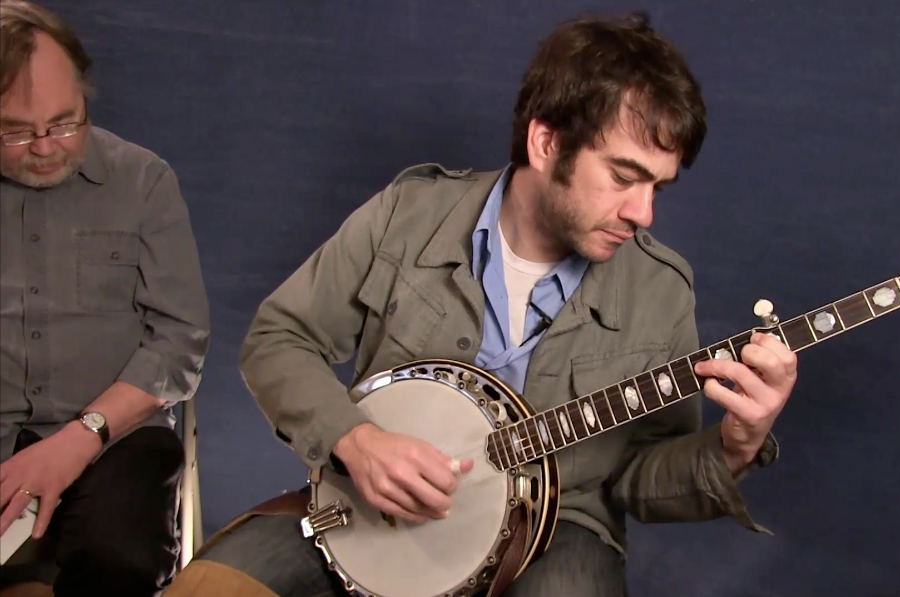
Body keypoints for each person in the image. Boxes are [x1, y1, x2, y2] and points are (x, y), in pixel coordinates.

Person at [165, 11, 795, 597]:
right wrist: (353, 439)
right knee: (209, 589)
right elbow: (279, 338)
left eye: (659, 186)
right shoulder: (406, 216)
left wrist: (737, 446)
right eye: (624, 178)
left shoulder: (662, 288)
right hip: (366, 509)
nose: (644, 212)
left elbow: (642, 480)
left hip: (559, 526)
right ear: (547, 143)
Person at [0, 1, 211, 595]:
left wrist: (81, 436)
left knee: (118, 560)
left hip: (111, 439)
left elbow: (180, 342)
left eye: (66, 121)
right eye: (16, 130)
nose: (46, 146)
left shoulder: (143, 181)